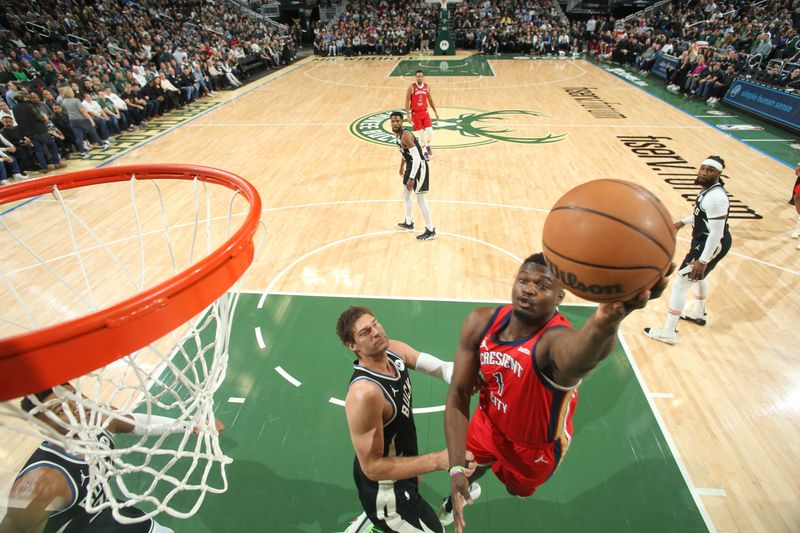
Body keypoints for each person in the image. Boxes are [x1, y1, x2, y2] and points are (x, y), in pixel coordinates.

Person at [444, 253, 670, 532]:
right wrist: (455, 470)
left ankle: (500, 474)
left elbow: (580, 356)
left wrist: (606, 321)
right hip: (488, 422)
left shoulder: (554, 342)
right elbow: (458, 393)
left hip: (533, 449)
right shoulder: (481, 322)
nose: (528, 288)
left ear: (560, 296)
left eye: (542, 285)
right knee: (468, 465)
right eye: (524, 280)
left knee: (517, 489)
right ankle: (466, 485)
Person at [1, 382, 224, 532]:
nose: (77, 408)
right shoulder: (40, 487)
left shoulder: (98, 418)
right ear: (43, 429)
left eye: (76, 397)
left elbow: (136, 424)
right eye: (61, 410)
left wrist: (188, 425)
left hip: (109, 515)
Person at [336, 306, 478, 533]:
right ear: (352, 345)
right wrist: (439, 460)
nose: (376, 332)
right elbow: (372, 468)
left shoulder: (392, 350)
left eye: (375, 323)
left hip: (400, 466)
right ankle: (370, 525)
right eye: (365, 332)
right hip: (386, 492)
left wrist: (463, 375)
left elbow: (441, 368)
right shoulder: (365, 393)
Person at [645, 156, 732, 344]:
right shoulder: (707, 191)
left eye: (710, 170)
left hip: (710, 244)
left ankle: (669, 331)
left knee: (679, 285)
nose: (704, 172)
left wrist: (702, 260)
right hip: (705, 241)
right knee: (700, 278)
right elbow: (701, 213)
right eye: (702, 168)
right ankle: (698, 312)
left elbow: (716, 233)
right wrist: (682, 222)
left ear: (718, 174)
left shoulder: (716, 197)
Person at [390, 111, 436, 241]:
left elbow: (416, 158)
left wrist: (411, 178)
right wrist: (401, 166)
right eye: (393, 121)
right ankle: (409, 223)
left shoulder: (406, 136)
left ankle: (430, 230)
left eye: (398, 121)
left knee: (420, 199)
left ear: (402, 122)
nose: (395, 123)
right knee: (405, 194)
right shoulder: (397, 135)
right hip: (411, 165)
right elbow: (406, 153)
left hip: (419, 166)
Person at [405, 70, 439, 160]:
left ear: (423, 77)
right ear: (415, 77)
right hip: (416, 113)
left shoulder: (427, 87)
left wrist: (435, 111)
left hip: (425, 112)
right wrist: (408, 115)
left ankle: (427, 145)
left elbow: (430, 100)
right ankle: (424, 153)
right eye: (418, 76)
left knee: (430, 132)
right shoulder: (411, 87)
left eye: (421, 76)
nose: (419, 78)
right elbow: (407, 101)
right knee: (421, 135)